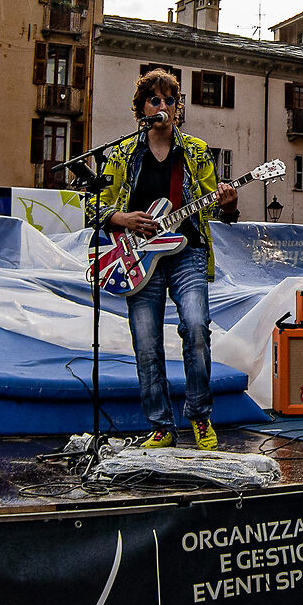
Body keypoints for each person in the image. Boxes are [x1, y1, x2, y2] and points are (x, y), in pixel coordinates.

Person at [98, 69, 237, 449]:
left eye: (169, 101)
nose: (163, 106)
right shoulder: (123, 153)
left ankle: (200, 417)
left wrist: (230, 201)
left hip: (186, 250)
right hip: (138, 257)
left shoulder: (195, 151)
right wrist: (121, 218)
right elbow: (93, 207)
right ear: (142, 108)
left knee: (195, 328)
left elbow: (216, 209)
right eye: (154, 100)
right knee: (146, 341)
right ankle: (160, 426)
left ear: (178, 108)